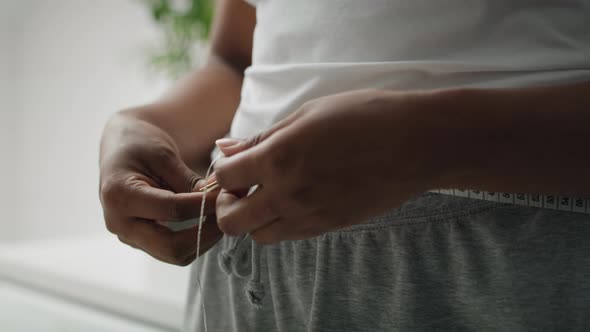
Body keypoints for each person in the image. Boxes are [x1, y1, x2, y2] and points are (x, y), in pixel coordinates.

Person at [99, 0, 590, 330]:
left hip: (499, 269)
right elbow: (234, 59)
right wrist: (146, 125)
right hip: (248, 279)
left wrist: (432, 142)